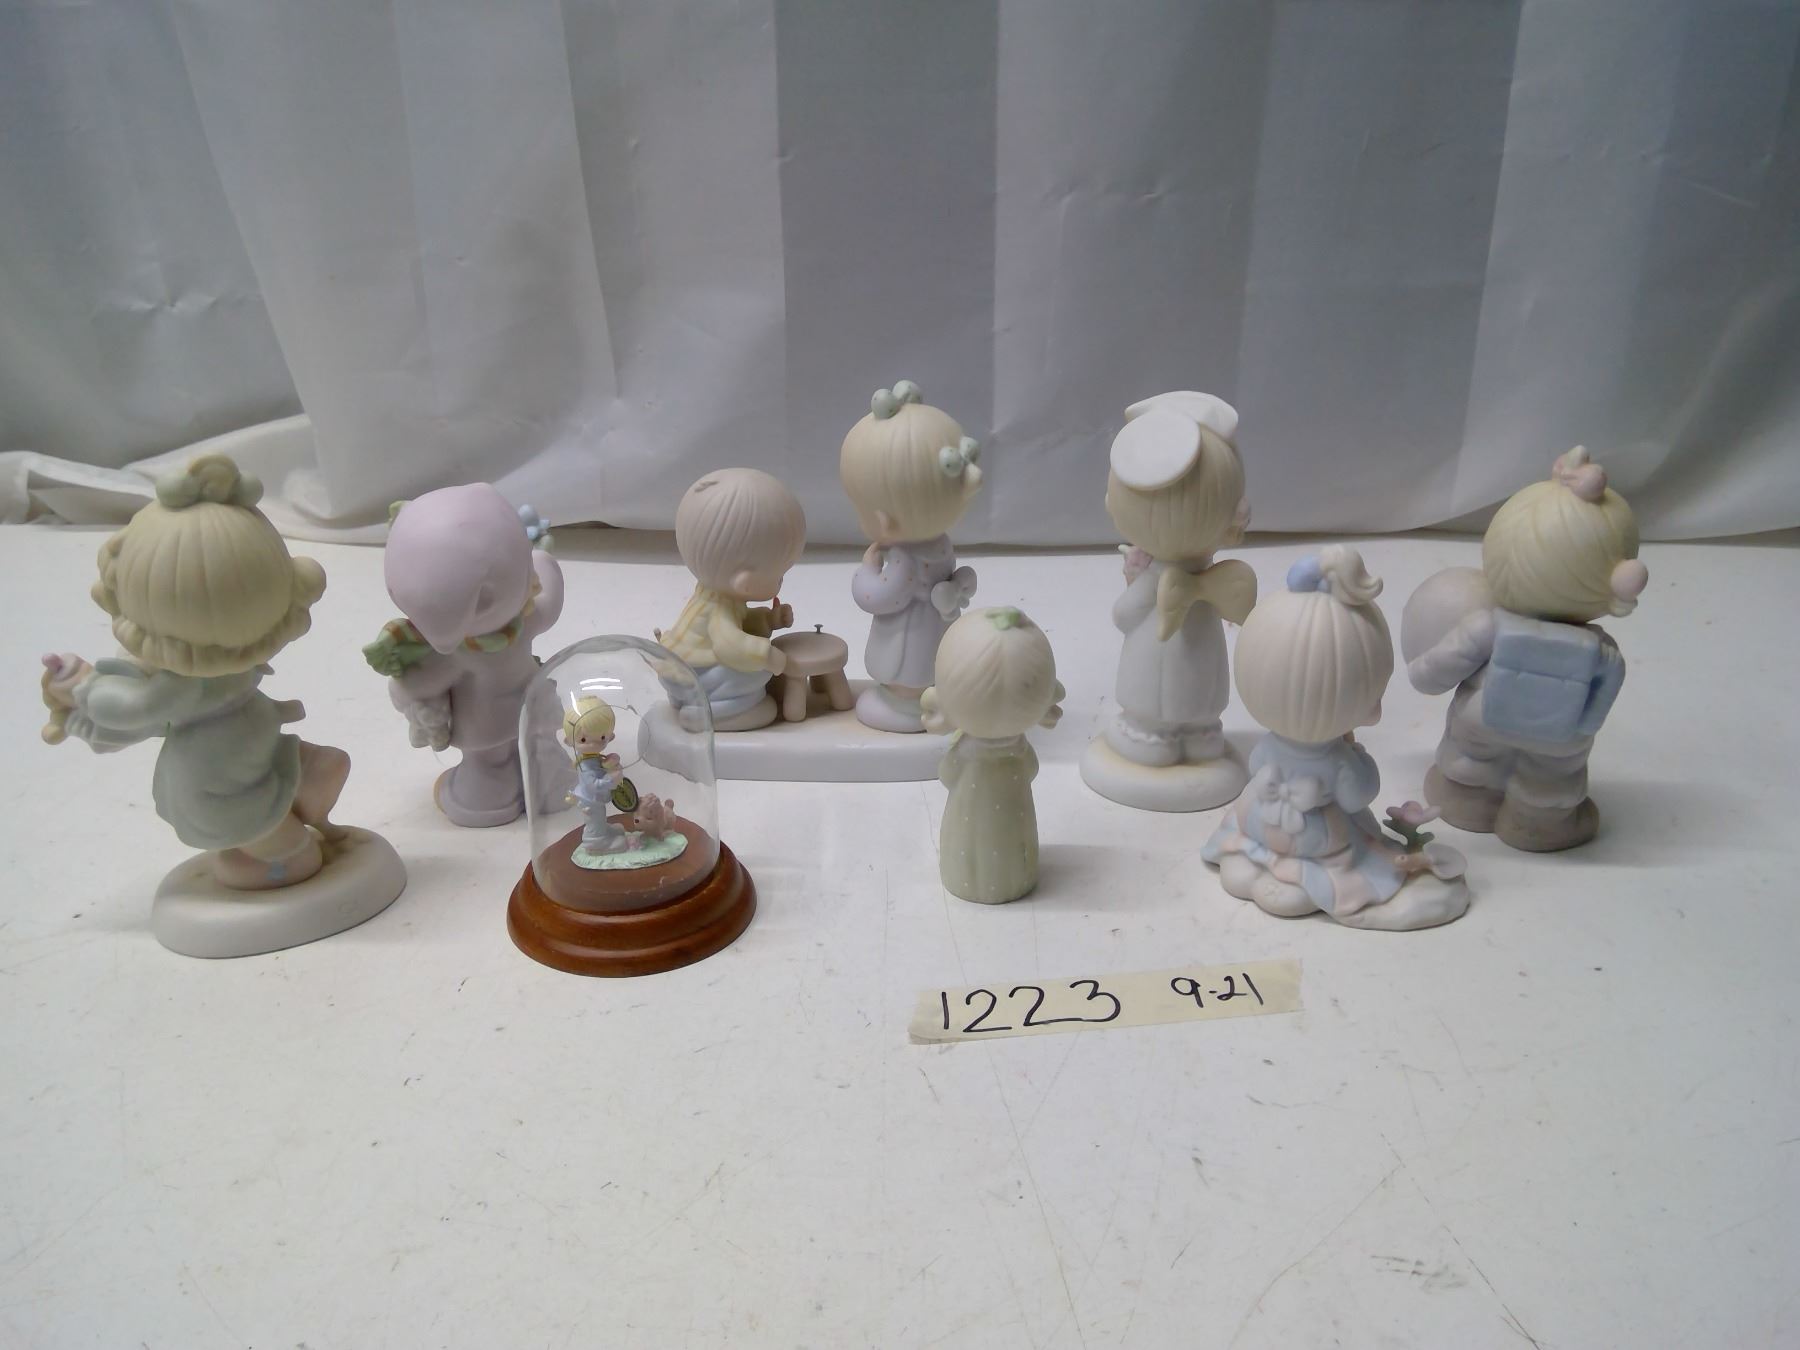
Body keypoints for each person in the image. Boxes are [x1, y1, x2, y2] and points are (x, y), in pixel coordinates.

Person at [1203, 547, 1469, 930]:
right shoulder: (1339, 761)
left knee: (1265, 846)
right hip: (1315, 842)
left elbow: (1258, 765)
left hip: (1258, 823)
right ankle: (1300, 878)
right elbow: (1357, 796)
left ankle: (1266, 865)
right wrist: (1357, 754)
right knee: (1338, 855)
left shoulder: (1270, 745)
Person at [1406, 446, 1648, 851]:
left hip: (1482, 714)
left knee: (1472, 759)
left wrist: (1422, 671)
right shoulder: (1601, 651)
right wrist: (1580, 728)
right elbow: (1601, 700)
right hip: (1559, 733)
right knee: (1550, 778)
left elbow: (1435, 672)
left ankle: (1466, 800)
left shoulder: (1487, 625)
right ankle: (1537, 824)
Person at [840, 381, 983, 732]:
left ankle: (906, 704)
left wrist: (868, 570)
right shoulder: (941, 543)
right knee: (935, 658)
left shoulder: (903, 558)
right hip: (938, 623)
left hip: (911, 633)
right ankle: (929, 693)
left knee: (909, 667)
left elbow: (877, 597)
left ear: (883, 520)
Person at [921, 607, 1063, 904]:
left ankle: (967, 878)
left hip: (968, 815)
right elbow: (1032, 769)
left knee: (969, 847)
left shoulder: (966, 751)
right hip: (1015, 812)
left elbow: (947, 775)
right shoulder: (1019, 748)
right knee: (1014, 842)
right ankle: (1016, 876)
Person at [658, 468, 807, 731]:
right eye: (778, 575)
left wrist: (768, 620)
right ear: (745, 582)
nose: (781, 581)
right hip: (693, 676)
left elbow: (738, 623)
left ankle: (687, 700)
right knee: (756, 671)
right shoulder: (719, 610)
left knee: (749, 662)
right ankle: (710, 713)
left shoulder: (713, 594)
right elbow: (731, 646)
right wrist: (770, 657)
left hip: (679, 669)